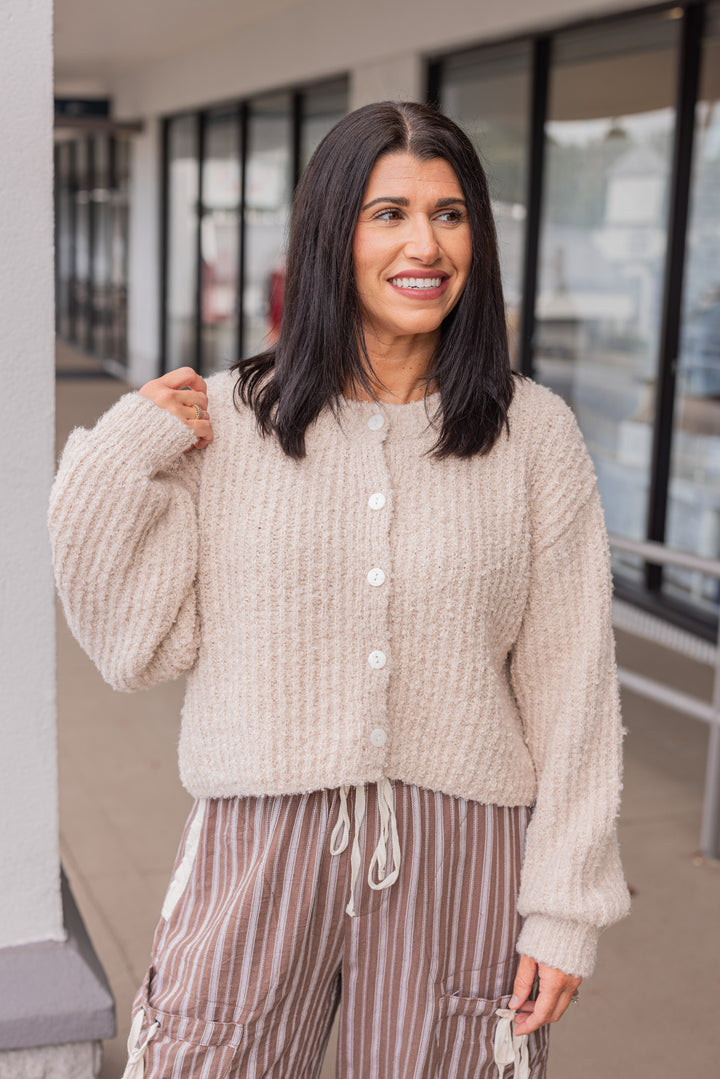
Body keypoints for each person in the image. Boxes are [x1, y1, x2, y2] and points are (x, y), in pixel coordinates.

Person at [49, 101, 630, 1079]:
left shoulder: (534, 433)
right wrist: (116, 457)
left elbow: (573, 682)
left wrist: (566, 905)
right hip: (258, 835)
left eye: (450, 215)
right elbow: (134, 648)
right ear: (331, 233)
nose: (426, 244)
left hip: (461, 847)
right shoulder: (232, 423)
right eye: (388, 212)